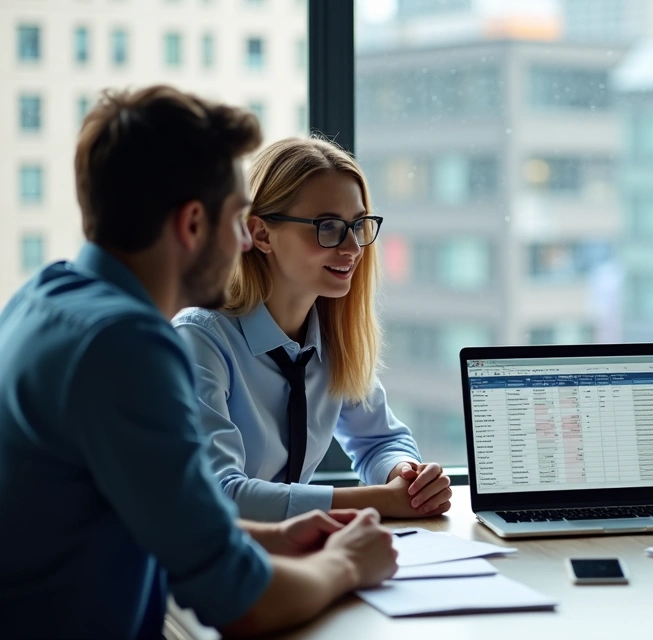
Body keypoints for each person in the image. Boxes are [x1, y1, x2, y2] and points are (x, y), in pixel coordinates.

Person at [0, 86, 397, 637]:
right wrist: (350, 561)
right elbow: (239, 601)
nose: (243, 241)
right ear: (192, 224)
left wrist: (276, 536)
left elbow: (158, 520)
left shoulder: (40, 300)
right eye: (238, 218)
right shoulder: (125, 346)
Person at [173, 137, 452, 522]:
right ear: (262, 234)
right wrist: (381, 500)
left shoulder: (332, 337)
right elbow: (219, 492)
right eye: (329, 227)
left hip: (300, 553)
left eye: (358, 225)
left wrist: (406, 476)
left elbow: (381, 440)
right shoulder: (200, 339)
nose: (353, 247)